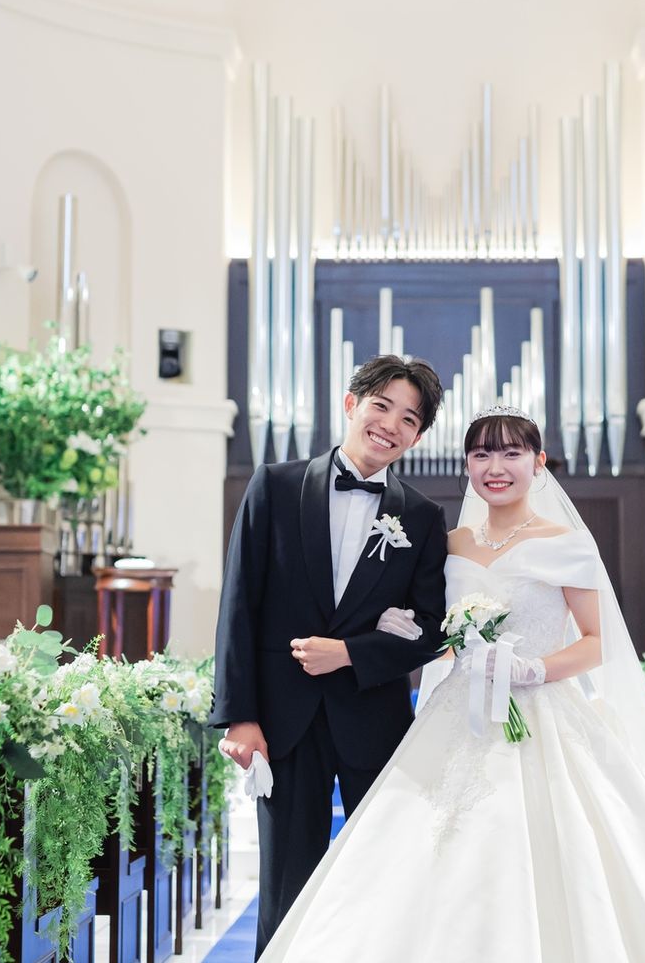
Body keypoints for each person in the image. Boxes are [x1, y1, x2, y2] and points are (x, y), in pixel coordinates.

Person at [256, 405, 645, 962]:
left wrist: (532, 669)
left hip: (541, 714)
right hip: (457, 711)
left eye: (512, 453)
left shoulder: (567, 542)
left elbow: (596, 641)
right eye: (482, 454)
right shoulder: (449, 543)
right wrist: (398, 626)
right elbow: (435, 631)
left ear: (538, 463)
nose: (496, 467)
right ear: (466, 464)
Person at [211, 354, 449, 958]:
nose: (391, 425)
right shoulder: (273, 486)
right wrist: (240, 716)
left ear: (418, 436)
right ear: (351, 404)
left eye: (409, 419)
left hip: (375, 723)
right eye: (381, 406)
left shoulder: (423, 518)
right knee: (286, 889)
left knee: (378, 885)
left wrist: (349, 653)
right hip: (283, 724)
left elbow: (430, 631)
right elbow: (238, 605)